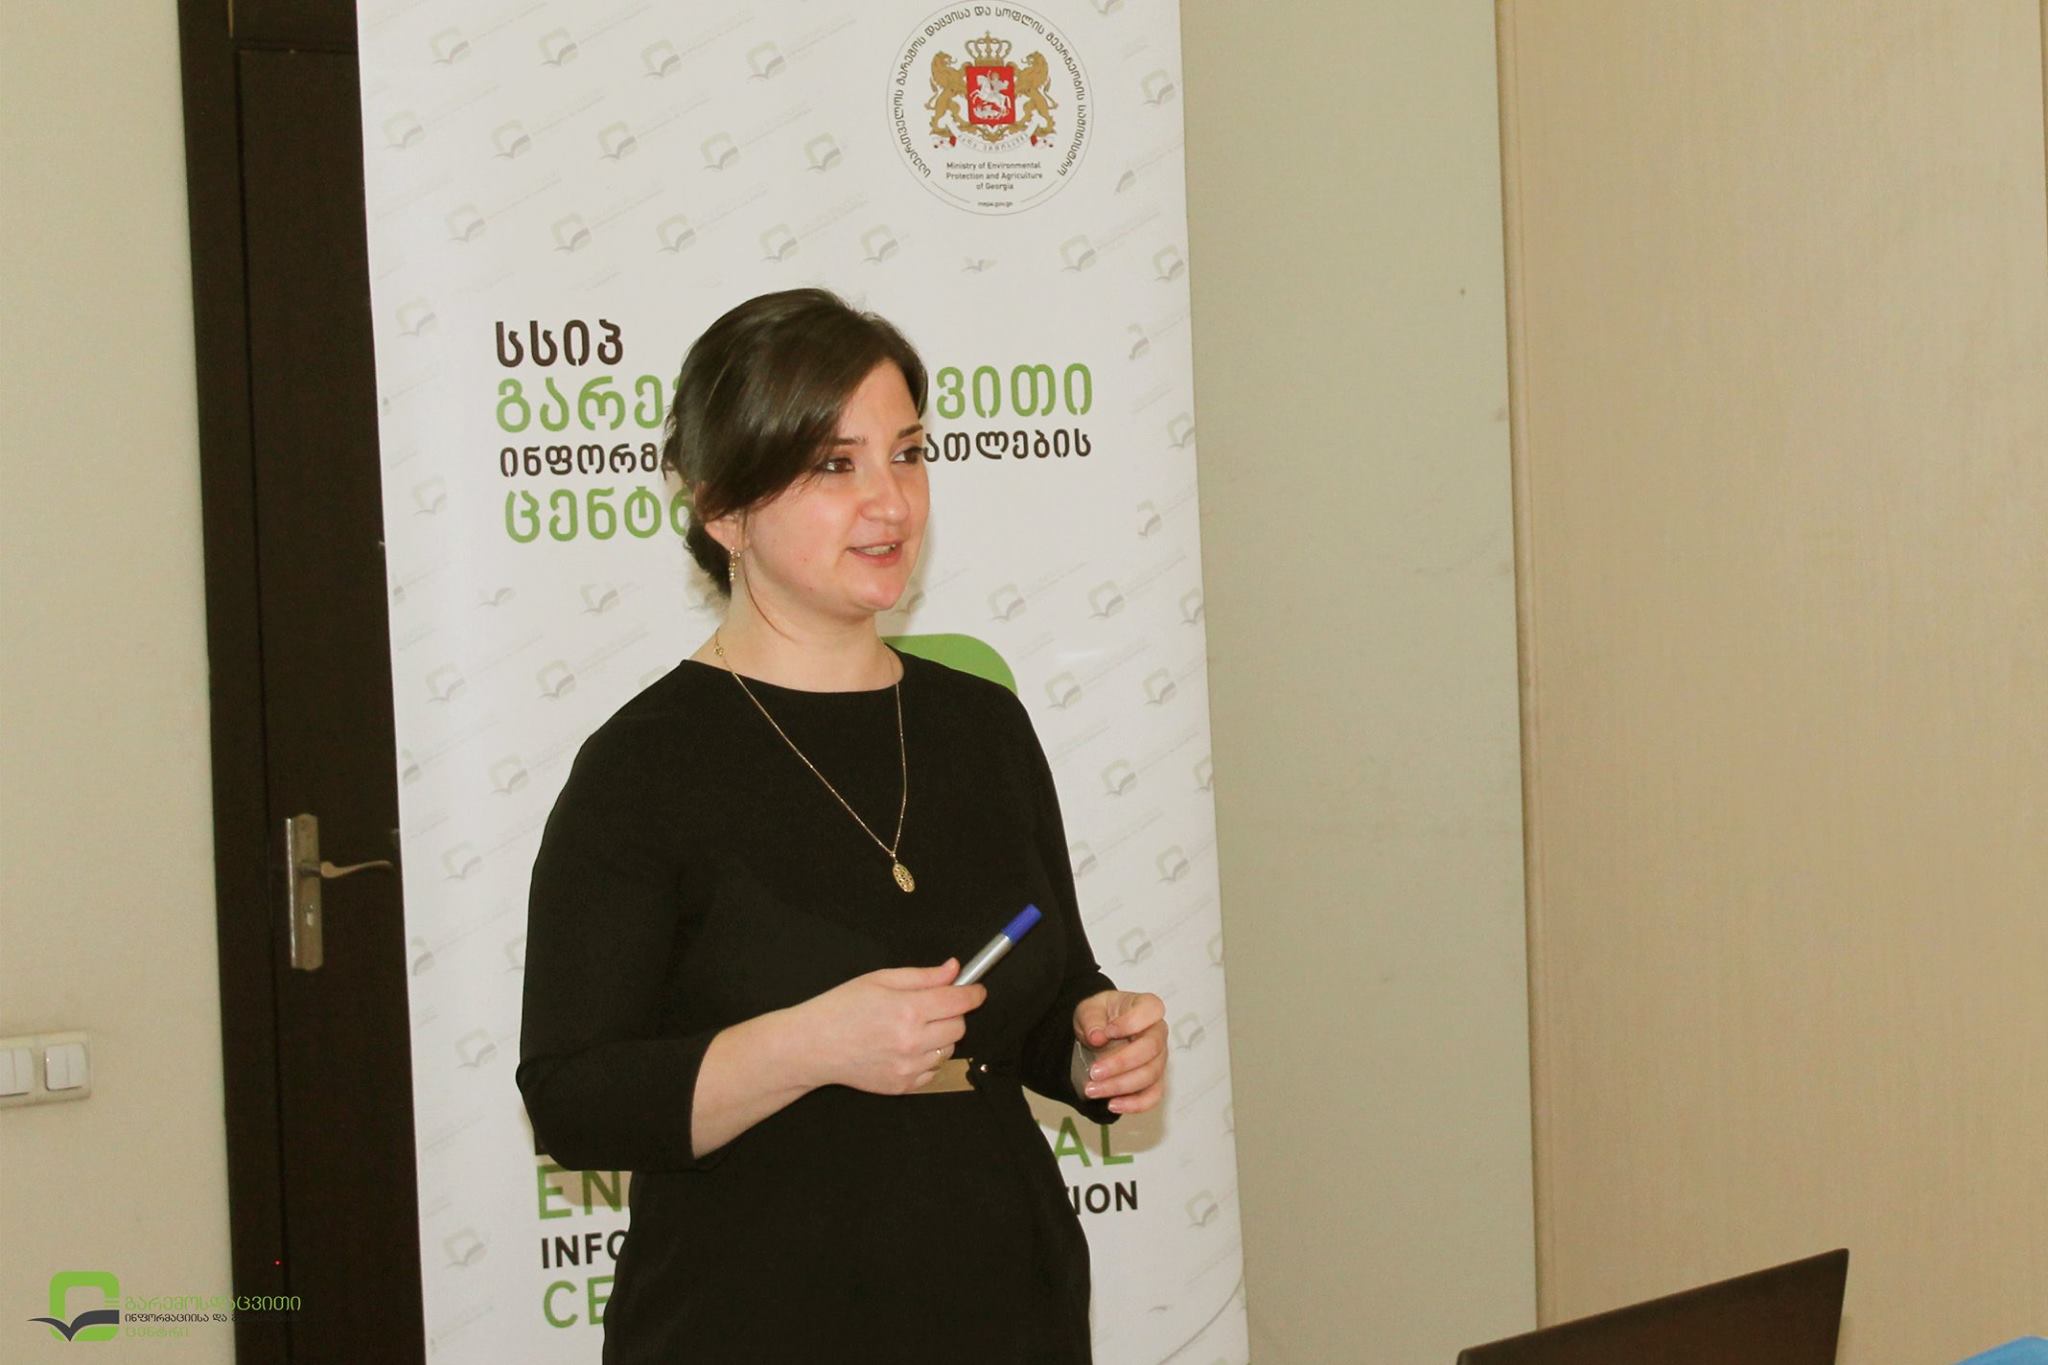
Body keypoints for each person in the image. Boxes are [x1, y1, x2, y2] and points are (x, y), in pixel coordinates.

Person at [516, 287, 1168, 1364]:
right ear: (722, 508)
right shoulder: (643, 765)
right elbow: (574, 1100)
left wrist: (1094, 1040)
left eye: (906, 454)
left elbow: (1043, 995)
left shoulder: (980, 726)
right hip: (750, 1315)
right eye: (833, 464)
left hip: (1005, 1300)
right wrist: (811, 1044)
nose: (890, 502)